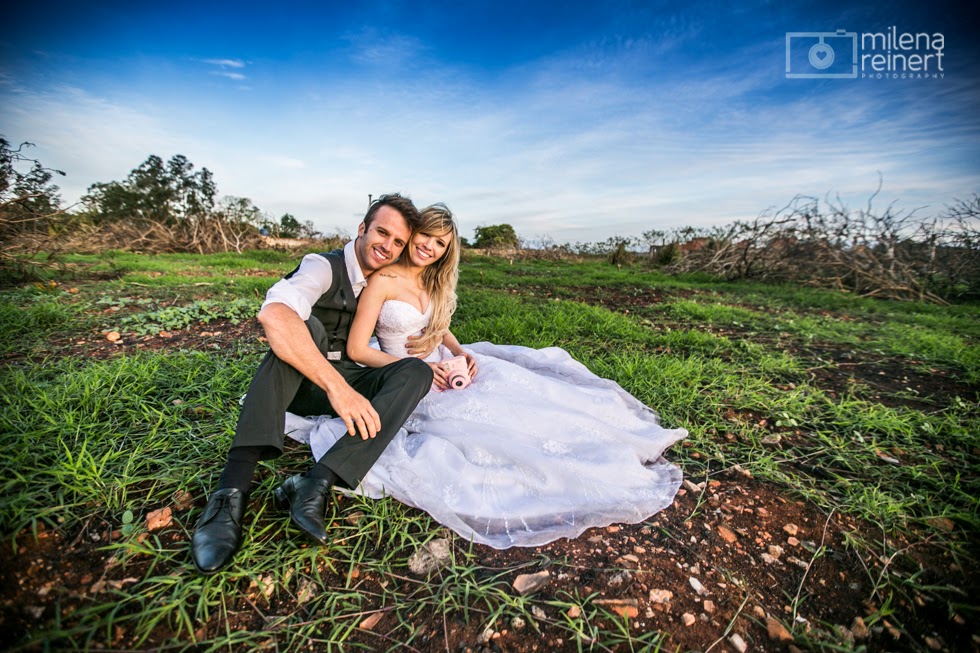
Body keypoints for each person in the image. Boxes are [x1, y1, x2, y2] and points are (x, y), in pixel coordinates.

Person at [286, 204, 687, 549]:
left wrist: (460, 352)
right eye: (425, 236)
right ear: (412, 234)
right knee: (484, 437)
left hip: (446, 366)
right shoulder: (383, 280)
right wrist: (418, 368)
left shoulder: (430, 280)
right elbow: (358, 350)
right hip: (406, 376)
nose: (429, 246)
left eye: (440, 243)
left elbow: (435, 326)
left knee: (529, 405)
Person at [192, 194, 434, 574]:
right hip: (303, 384)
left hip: (350, 374)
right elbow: (275, 314)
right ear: (362, 229)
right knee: (304, 326)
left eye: (398, 242)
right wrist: (339, 389)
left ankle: (315, 482)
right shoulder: (322, 266)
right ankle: (230, 491)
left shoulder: (385, 280)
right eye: (382, 233)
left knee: (417, 372)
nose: (388, 246)